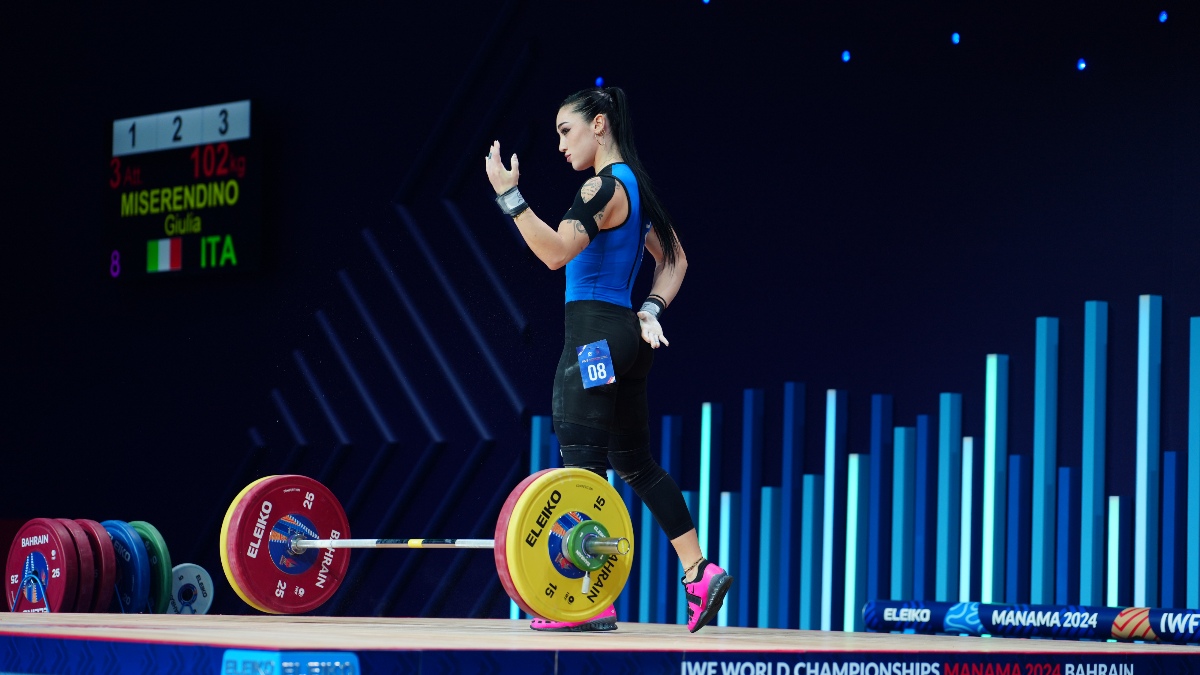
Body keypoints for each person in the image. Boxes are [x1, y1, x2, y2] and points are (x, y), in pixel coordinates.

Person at [484, 86, 731, 633]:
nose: (559, 145)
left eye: (565, 131)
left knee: (581, 467)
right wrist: (650, 310)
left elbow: (553, 254)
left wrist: (509, 196)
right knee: (637, 465)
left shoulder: (601, 187)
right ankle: (699, 572)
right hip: (627, 339)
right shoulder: (637, 190)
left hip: (593, 340)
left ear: (600, 125)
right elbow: (678, 260)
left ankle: (588, 603)